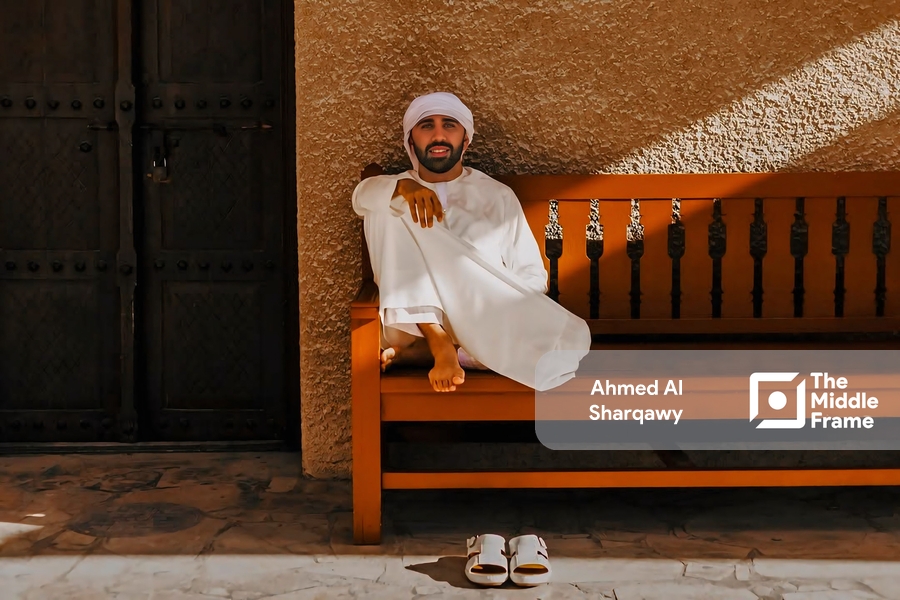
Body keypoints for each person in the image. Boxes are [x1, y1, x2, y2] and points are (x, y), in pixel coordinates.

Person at [352, 92, 590, 393]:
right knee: (388, 206)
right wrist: (403, 186)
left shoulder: (496, 195)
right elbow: (361, 196)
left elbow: (532, 275)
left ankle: (440, 352)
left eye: (449, 125)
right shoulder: (392, 187)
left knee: (551, 340)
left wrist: (498, 307)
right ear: (411, 141)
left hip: (481, 323)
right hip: (408, 325)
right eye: (426, 125)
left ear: (465, 140)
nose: (438, 135)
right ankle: (437, 340)